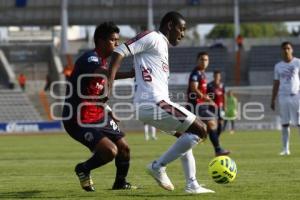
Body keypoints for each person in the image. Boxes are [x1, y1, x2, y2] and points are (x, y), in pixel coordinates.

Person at [108, 11, 214, 194]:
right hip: (152, 102)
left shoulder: (161, 46)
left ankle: (192, 184)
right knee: (201, 130)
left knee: (186, 137)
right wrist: (109, 82)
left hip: (153, 104)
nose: (182, 34)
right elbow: (120, 50)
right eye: (181, 29)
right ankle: (158, 166)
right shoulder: (153, 36)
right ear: (170, 25)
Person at [62, 22, 136, 192]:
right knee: (110, 151)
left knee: (124, 148)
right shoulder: (90, 59)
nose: (116, 44)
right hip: (78, 119)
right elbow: (103, 73)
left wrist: (108, 110)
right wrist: (129, 74)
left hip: (97, 115)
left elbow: (96, 93)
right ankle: (83, 168)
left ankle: (120, 183)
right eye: (113, 40)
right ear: (101, 41)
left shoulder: (102, 62)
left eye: (117, 40)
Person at [187, 52, 230, 156]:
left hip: (201, 105)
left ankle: (204, 140)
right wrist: (207, 98)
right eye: (202, 59)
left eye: (206, 60)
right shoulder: (196, 73)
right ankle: (217, 149)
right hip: (196, 105)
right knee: (212, 123)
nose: (204, 62)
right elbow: (194, 88)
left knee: (207, 126)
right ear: (197, 60)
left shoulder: (202, 74)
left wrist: (208, 100)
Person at [271, 41, 300, 156]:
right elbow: (276, 83)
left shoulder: (298, 62)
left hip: (296, 96)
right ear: (281, 51)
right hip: (283, 97)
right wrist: (272, 99)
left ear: (292, 50)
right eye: (284, 48)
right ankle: (285, 149)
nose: (286, 50)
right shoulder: (278, 66)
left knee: (298, 122)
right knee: (284, 124)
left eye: (288, 48)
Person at [207, 70, 225, 136]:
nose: (217, 77)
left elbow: (223, 96)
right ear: (213, 76)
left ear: (220, 77)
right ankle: (205, 136)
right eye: (216, 76)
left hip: (220, 107)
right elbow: (206, 96)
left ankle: (217, 138)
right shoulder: (209, 85)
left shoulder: (222, 85)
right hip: (211, 108)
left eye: (218, 76)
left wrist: (224, 107)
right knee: (211, 124)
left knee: (220, 124)